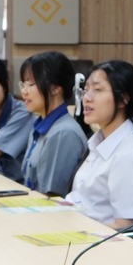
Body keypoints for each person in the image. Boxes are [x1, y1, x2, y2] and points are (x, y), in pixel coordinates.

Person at [64, 60, 133, 228]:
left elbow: (124, 226)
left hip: (92, 239)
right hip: (71, 225)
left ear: (123, 99)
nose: (86, 98)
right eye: (85, 90)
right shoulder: (97, 140)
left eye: (97, 90)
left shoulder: (132, 151)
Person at [19, 50, 89, 198]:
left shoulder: (63, 133)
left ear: (56, 88)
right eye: (23, 84)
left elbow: (51, 196)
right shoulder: (40, 126)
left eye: (30, 84)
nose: (24, 91)